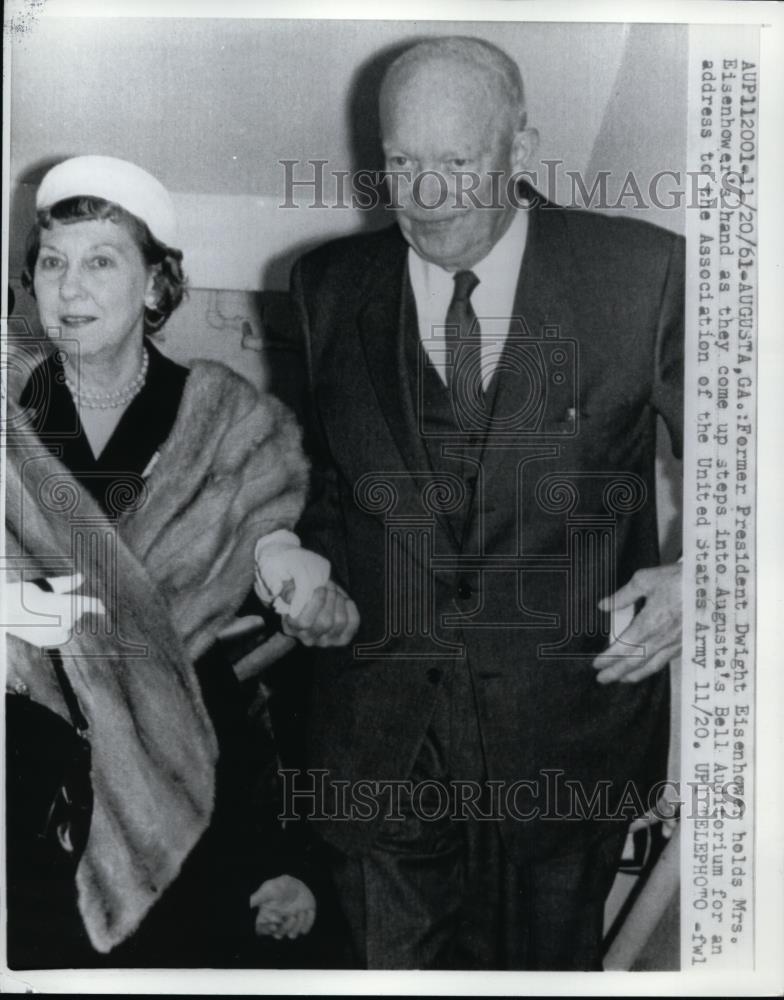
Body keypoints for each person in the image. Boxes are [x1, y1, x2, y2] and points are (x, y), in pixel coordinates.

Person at [289, 36, 684, 970]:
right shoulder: (326, 284)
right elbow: (327, 485)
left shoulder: (642, 272)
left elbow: (756, 451)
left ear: (523, 148)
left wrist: (700, 573)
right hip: (380, 737)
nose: (425, 196)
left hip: (565, 733)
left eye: (458, 163)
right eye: (401, 163)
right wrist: (297, 560)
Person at [4, 155, 358, 968]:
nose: (70, 287)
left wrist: (293, 574)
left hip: (186, 759)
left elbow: (267, 543)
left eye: (101, 261)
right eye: (52, 263)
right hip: (26, 765)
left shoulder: (226, 420)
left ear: (157, 285)